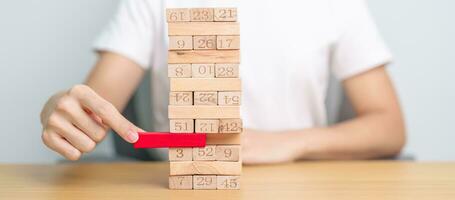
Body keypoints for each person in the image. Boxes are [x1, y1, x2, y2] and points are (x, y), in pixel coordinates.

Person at [39, 0, 406, 164]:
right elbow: (92, 105)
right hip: (176, 183)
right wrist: (65, 110)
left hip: (294, 182)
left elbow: (389, 127)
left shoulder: (336, 3)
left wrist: (287, 143)